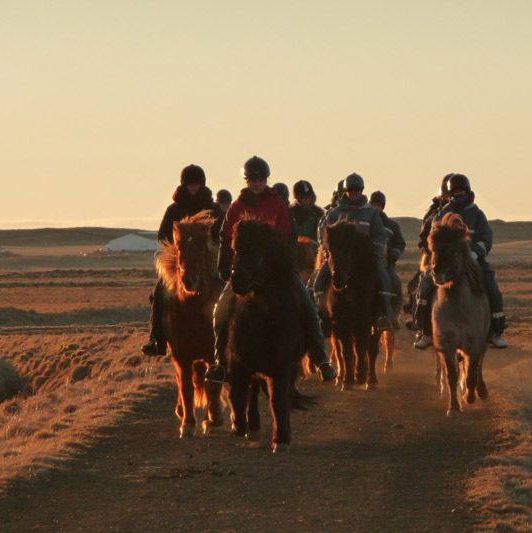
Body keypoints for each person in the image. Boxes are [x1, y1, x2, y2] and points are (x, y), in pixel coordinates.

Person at [205, 156, 336, 383]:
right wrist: (225, 266)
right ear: (246, 181)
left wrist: (284, 265)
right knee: (220, 312)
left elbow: (288, 236)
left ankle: (321, 358)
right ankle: (220, 363)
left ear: (266, 180)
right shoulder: (236, 207)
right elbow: (226, 238)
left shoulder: (277, 206)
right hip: (245, 272)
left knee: (307, 305)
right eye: (253, 179)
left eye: (261, 179)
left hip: (276, 271)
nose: (257, 183)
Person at [415, 173, 508, 349]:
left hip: (472, 261)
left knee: (491, 286)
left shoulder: (477, 214)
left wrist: (476, 253)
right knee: (425, 286)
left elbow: (486, 237)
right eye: (454, 192)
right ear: (449, 194)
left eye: (461, 191)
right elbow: (432, 237)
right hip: (447, 261)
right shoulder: (442, 213)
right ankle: (425, 331)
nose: (458, 195)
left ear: (468, 192)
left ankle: (496, 331)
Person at [141, 164, 224, 356]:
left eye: (196, 184)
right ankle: (157, 339)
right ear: (184, 185)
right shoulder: (174, 209)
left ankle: (230, 338)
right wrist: (177, 248)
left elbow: (222, 233)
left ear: (202, 184)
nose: (193, 187)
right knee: (160, 292)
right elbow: (162, 235)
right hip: (180, 262)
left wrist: (211, 246)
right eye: (190, 184)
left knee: (226, 291)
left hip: (207, 261)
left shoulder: (212, 208)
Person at [313, 173, 394, 332]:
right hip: (338, 259)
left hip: (364, 260)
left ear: (362, 190)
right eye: (351, 190)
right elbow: (323, 233)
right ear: (345, 191)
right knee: (318, 281)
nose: (354, 193)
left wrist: (375, 251)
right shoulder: (335, 213)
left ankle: (383, 314)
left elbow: (379, 234)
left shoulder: (370, 213)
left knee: (383, 276)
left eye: (357, 190)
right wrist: (328, 250)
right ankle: (320, 315)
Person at [411, 174, 453, 348]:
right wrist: (431, 249)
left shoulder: (468, 210)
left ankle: (491, 329)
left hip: (460, 259)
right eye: (449, 192)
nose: (450, 196)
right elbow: (423, 235)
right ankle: (424, 330)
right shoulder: (434, 213)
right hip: (436, 259)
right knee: (423, 287)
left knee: (485, 283)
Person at [369, 190, 406, 328]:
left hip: (385, 263)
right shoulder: (366, 223)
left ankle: (391, 315)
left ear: (382, 207)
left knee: (394, 282)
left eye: (378, 205)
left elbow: (400, 243)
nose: (375, 207)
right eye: (373, 204)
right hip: (365, 263)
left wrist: (393, 255)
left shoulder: (392, 225)